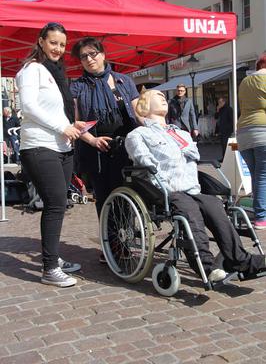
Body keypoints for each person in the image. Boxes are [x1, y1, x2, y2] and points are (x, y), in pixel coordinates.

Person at [125, 89, 266, 282]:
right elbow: (143, 160)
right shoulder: (137, 135)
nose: (164, 99)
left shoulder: (181, 133)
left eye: (164, 97)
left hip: (191, 187)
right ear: (144, 106)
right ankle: (206, 267)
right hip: (164, 189)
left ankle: (240, 260)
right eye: (158, 97)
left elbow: (195, 155)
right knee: (189, 209)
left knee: (214, 205)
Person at [16, 22, 86, 287]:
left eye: (62, 45)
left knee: (60, 204)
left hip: (62, 147)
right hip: (39, 146)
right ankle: (48, 269)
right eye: (53, 42)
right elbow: (30, 107)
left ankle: (53, 259)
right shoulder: (31, 70)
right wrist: (62, 126)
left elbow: (56, 111)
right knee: (55, 203)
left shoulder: (55, 72)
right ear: (42, 41)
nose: (58, 48)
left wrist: (73, 124)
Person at [70, 37, 140, 221]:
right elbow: (76, 122)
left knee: (128, 193)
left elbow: (139, 112)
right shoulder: (78, 86)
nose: (89, 59)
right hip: (95, 149)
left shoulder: (123, 81)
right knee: (104, 196)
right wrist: (93, 140)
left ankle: (128, 236)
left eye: (93, 53)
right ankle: (112, 243)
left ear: (103, 54)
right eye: (83, 56)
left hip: (126, 146)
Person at [237, 54, 266, 231]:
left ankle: (260, 212)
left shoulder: (245, 82)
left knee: (258, 176)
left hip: (244, 133)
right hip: (263, 130)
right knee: (262, 176)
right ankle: (261, 217)